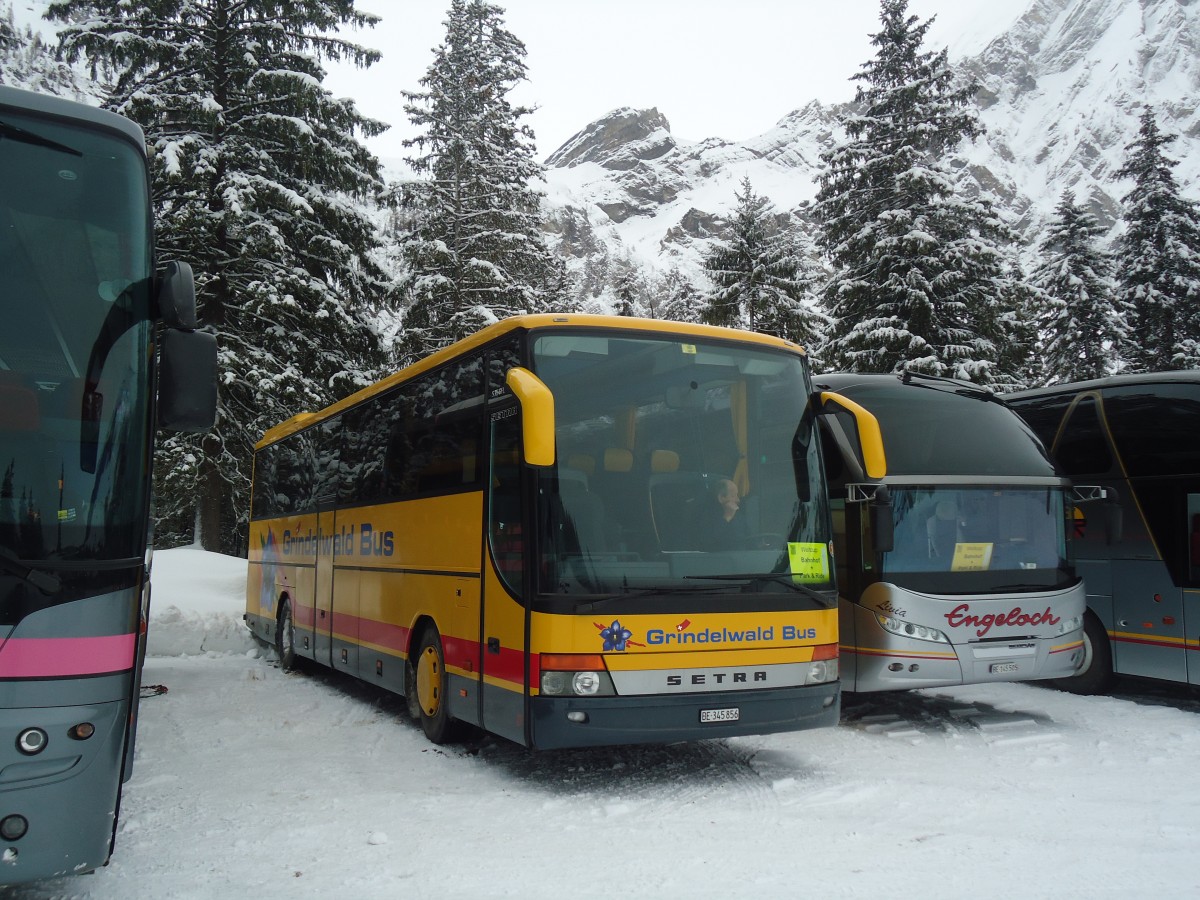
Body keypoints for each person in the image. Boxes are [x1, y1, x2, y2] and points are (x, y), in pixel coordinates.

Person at [702, 478, 749, 550]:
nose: (738, 500)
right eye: (733, 496)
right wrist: (727, 517)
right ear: (721, 497)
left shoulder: (739, 517)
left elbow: (748, 540)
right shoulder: (705, 516)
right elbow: (708, 543)